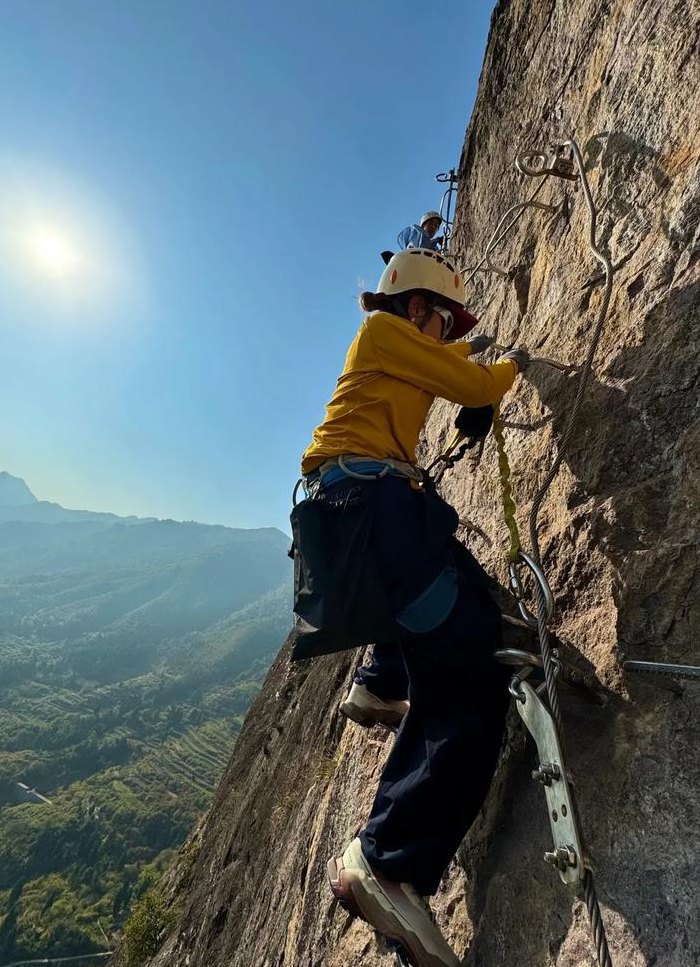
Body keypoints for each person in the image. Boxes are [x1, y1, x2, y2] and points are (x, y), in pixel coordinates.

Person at [290, 247, 529, 967]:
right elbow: (471, 380)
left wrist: (472, 389)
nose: (445, 337)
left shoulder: (390, 351)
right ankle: (385, 857)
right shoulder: (386, 333)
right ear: (417, 307)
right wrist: (509, 367)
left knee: (450, 605)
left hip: (365, 511)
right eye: (444, 323)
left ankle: (384, 676)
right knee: (470, 674)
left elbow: (451, 381)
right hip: (376, 510)